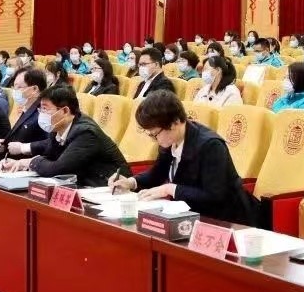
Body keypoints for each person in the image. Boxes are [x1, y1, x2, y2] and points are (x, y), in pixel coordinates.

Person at [109, 91, 257, 223]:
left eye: (155, 134)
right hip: (190, 216)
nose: (154, 140)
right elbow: (157, 174)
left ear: (175, 122)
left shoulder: (211, 145)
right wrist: (130, 182)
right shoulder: (171, 140)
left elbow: (214, 196)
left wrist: (171, 189)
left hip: (227, 220)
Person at [0, 68, 48, 163]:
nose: (15, 91)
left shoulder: (44, 112)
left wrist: (22, 148)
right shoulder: (26, 109)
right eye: (14, 87)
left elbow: (50, 143)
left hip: (30, 165)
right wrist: (5, 144)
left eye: (19, 87)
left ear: (34, 89)